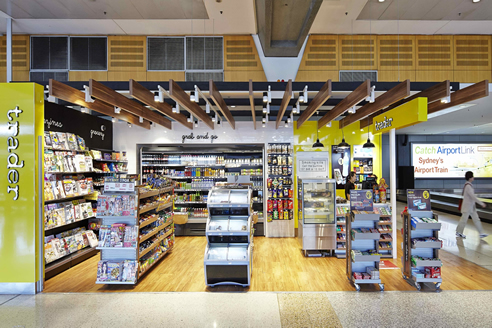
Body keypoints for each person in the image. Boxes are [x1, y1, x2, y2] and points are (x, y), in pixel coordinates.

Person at [456, 171, 488, 239]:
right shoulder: (468, 186)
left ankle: (481, 233)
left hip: (471, 207)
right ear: (470, 178)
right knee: (463, 220)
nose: (473, 177)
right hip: (467, 207)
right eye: (472, 176)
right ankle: (459, 232)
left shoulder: (468, 185)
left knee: (476, 219)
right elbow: (473, 197)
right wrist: (481, 203)